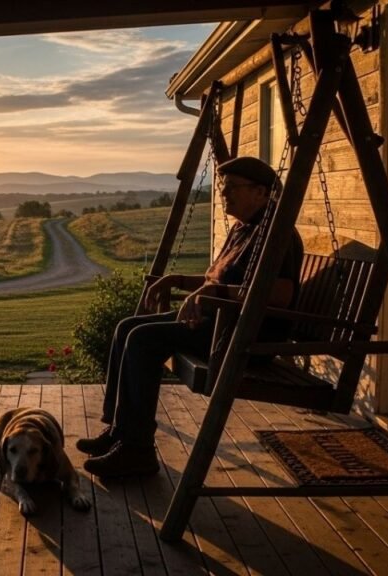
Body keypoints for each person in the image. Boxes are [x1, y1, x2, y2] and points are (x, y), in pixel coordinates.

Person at [77, 156, 304, 478]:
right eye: (223, 188)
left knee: (143, 339)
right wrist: (180, 281)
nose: (224, 194)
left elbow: (280, 294)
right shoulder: (244, 229)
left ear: (261, 192)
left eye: (231, 189)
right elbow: (220, 281)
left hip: (247, 334)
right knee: (128, 326)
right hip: (219, 324)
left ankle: (137, 451)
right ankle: (119, 431)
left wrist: (211, 295)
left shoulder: (275, 233)